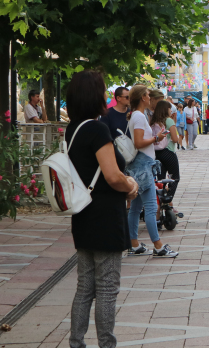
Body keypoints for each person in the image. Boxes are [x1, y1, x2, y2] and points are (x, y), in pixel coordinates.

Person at [65, 71, 138, 348]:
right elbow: (113, 176)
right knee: (107, 288)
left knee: (85, 287)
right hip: (105, 215)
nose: (107, 95)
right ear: (94, 95)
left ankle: (76, 343)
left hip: (82, 213)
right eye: (104, 90)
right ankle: (107, 344)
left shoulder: (74, 128)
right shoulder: (97, 129)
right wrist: (130, 185)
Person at [126, 85, 179, 258]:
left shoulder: (136, 115)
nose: (150, 98)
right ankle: (158, 246)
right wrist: (157, 138)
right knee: (150, 206)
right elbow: (139, 143)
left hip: (138, 164)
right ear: (142, 97)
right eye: (148, 95)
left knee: (135, 207)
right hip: (142, 165)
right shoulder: (140, 117)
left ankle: (133, 244)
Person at [150, 101, 180, 187]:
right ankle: (168, 198)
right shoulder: (169, 120)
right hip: (168, 151)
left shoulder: (153, 120)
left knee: (160, 178)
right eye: (170, 108)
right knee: (174, 177)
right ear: (166, 109)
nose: (171, 110)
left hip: (156, 151)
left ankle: (160, 197)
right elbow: (175, 139)